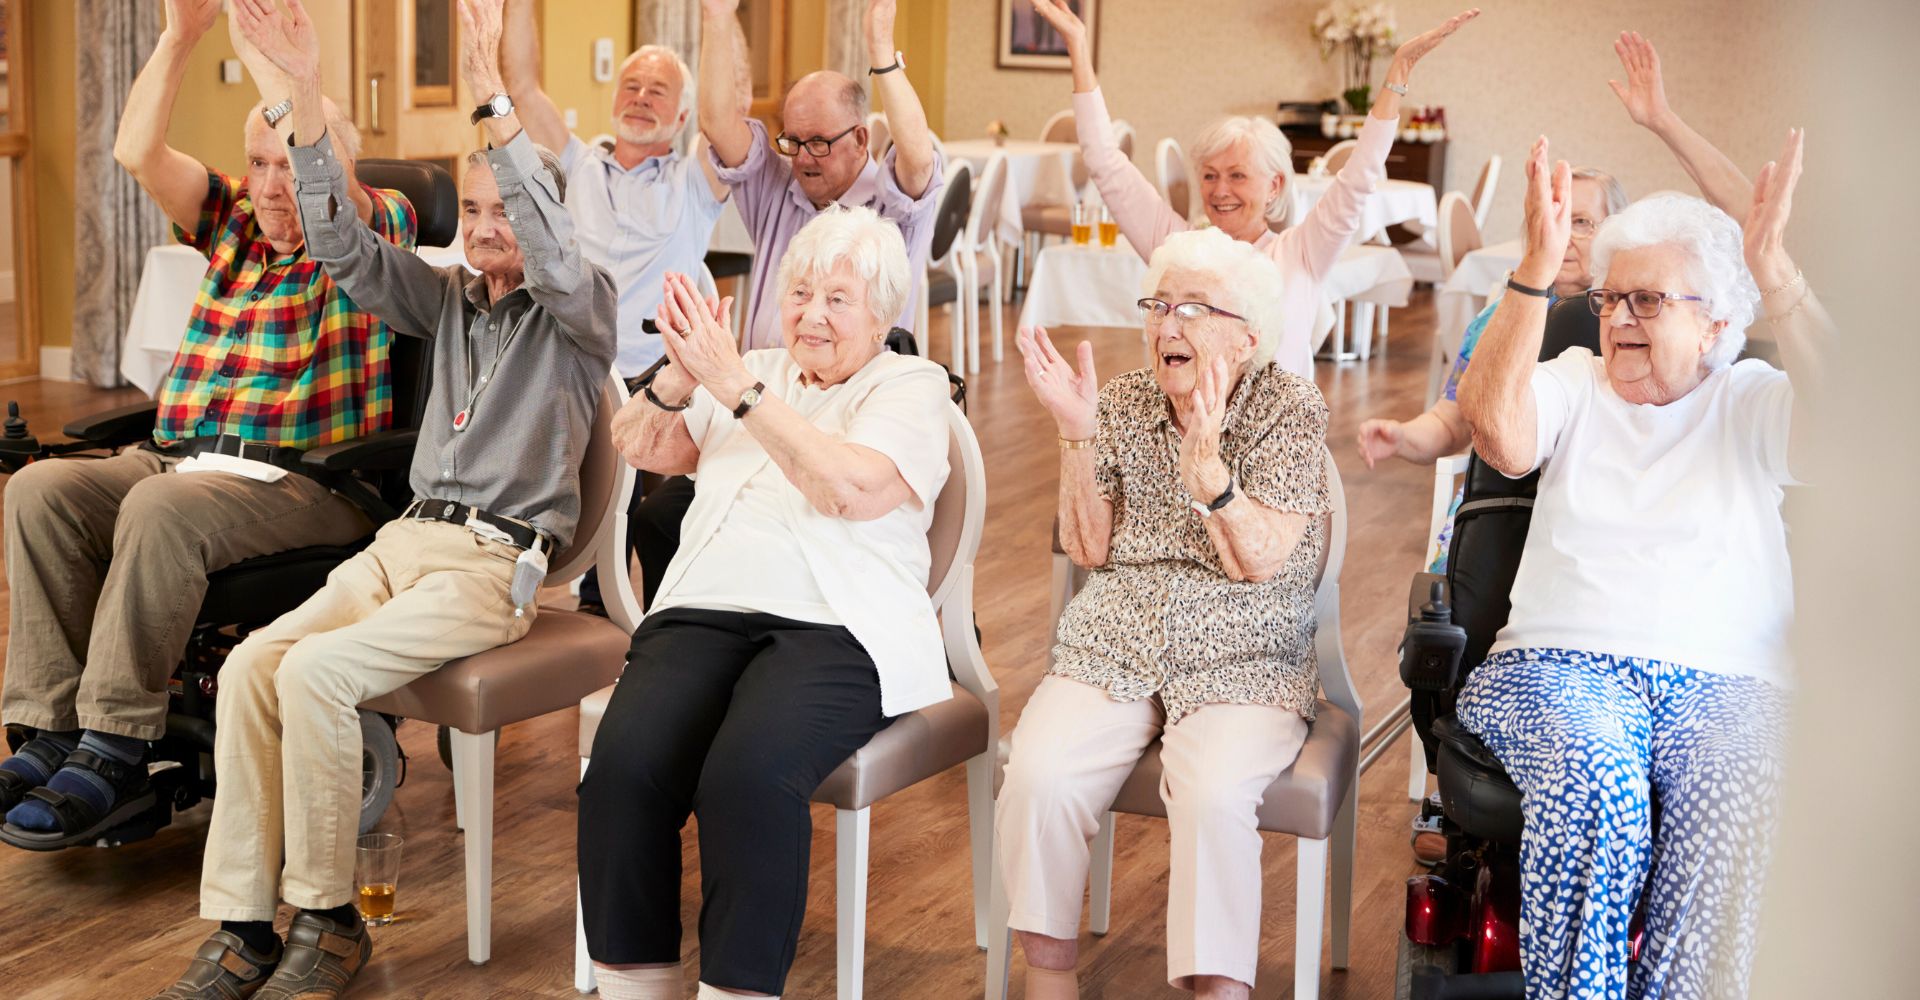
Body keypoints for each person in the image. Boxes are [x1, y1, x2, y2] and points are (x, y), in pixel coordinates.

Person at [147, 2, 615, 997]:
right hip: (405, 544)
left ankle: (328, 916)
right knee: (252, 669)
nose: (489, 229)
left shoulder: (582, 315)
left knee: (314, 673)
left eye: (507, 212)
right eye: (475, 212)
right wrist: (307, 98)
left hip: (493, 564)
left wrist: (493, 99)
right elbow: (341, 248)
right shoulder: (445, 300)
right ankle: (243, 924)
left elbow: (551, 242)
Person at [0, 0, 415, 848]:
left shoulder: (376, 231)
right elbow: (134, 151)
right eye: (257, 163)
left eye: (289, 162)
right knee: (39, 488)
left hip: (309, 481)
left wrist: (300, 80)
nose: (271, 184)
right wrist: (178, 37)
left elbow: (334, 189)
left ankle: (115, 745)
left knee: (159, 511)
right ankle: (47, 729)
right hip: (183, 461)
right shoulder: (229, 222)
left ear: (335, 165)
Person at [1453, 130, 1819, 999]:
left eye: (1647, 301)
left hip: (1731, 680)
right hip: (1558, 664)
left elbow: (1861, 419)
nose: (1617, 318)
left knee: (1740, 785)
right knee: (1595, 771)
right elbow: (1498, 435)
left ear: (1718, 323)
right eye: (1612, 298)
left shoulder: (1752, 398)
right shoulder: (1576, 380)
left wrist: (1775, 268)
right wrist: (1536, 275)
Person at [578, 206, 954, 1000]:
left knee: (748, 776)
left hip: (840, 627)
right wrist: (681, 376)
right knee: (623, 768)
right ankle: (634, 988)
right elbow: (641, 446)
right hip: (702, 609)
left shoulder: (911, 386)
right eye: (799, 293)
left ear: (883, 315)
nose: (812, 315)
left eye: (838, 300)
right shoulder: (750, 366)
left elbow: (850, 489)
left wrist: (738, 390)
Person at [998, 228, 1331, 1000]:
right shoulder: (1120, 400)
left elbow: (1261, 559)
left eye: (1191, 309)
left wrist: (1211, 476)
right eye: (1158, 305)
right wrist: (1076, 434)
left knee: (1214, 793)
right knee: (1040, 776)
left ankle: (1218, 992)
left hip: (1244, 653)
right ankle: (1050, 981)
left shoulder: (1287, 407)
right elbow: (1087, 548)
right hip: (1118, 641)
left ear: (1246, 335)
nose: (1166, 325)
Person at [1025, 0, 1478, 376]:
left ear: (1275, 185)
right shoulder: (1177, 247)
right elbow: (1106, 162)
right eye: (1209, 175)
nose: (1220, 190)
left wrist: (1397, 72)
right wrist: (1078, 48)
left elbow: (1358, 176)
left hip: (1276, 449)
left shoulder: (1302, 253)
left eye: (1238, 175)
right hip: (1189, 437)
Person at [496, 0, 742, 616]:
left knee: (654, 516)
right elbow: (520, 85)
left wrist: (718, 19)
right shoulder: (576, 164)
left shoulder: (692, 182)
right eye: (631, 86)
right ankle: (571, 606)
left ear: (682, 113)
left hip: (662, 378)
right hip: (578, 371)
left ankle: (646, 620)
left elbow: (725, 115)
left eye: (659, 91)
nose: (641, 97)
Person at [698, 0, 943, 350]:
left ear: (860, 139)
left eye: (818, 142)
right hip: (762, 389)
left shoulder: (893, 208)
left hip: (855, 399)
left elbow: (918, 160)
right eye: (793, 141)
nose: (802, 157)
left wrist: (881, 50)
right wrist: (717, 16)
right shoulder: (777, 187)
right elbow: (718, 125)